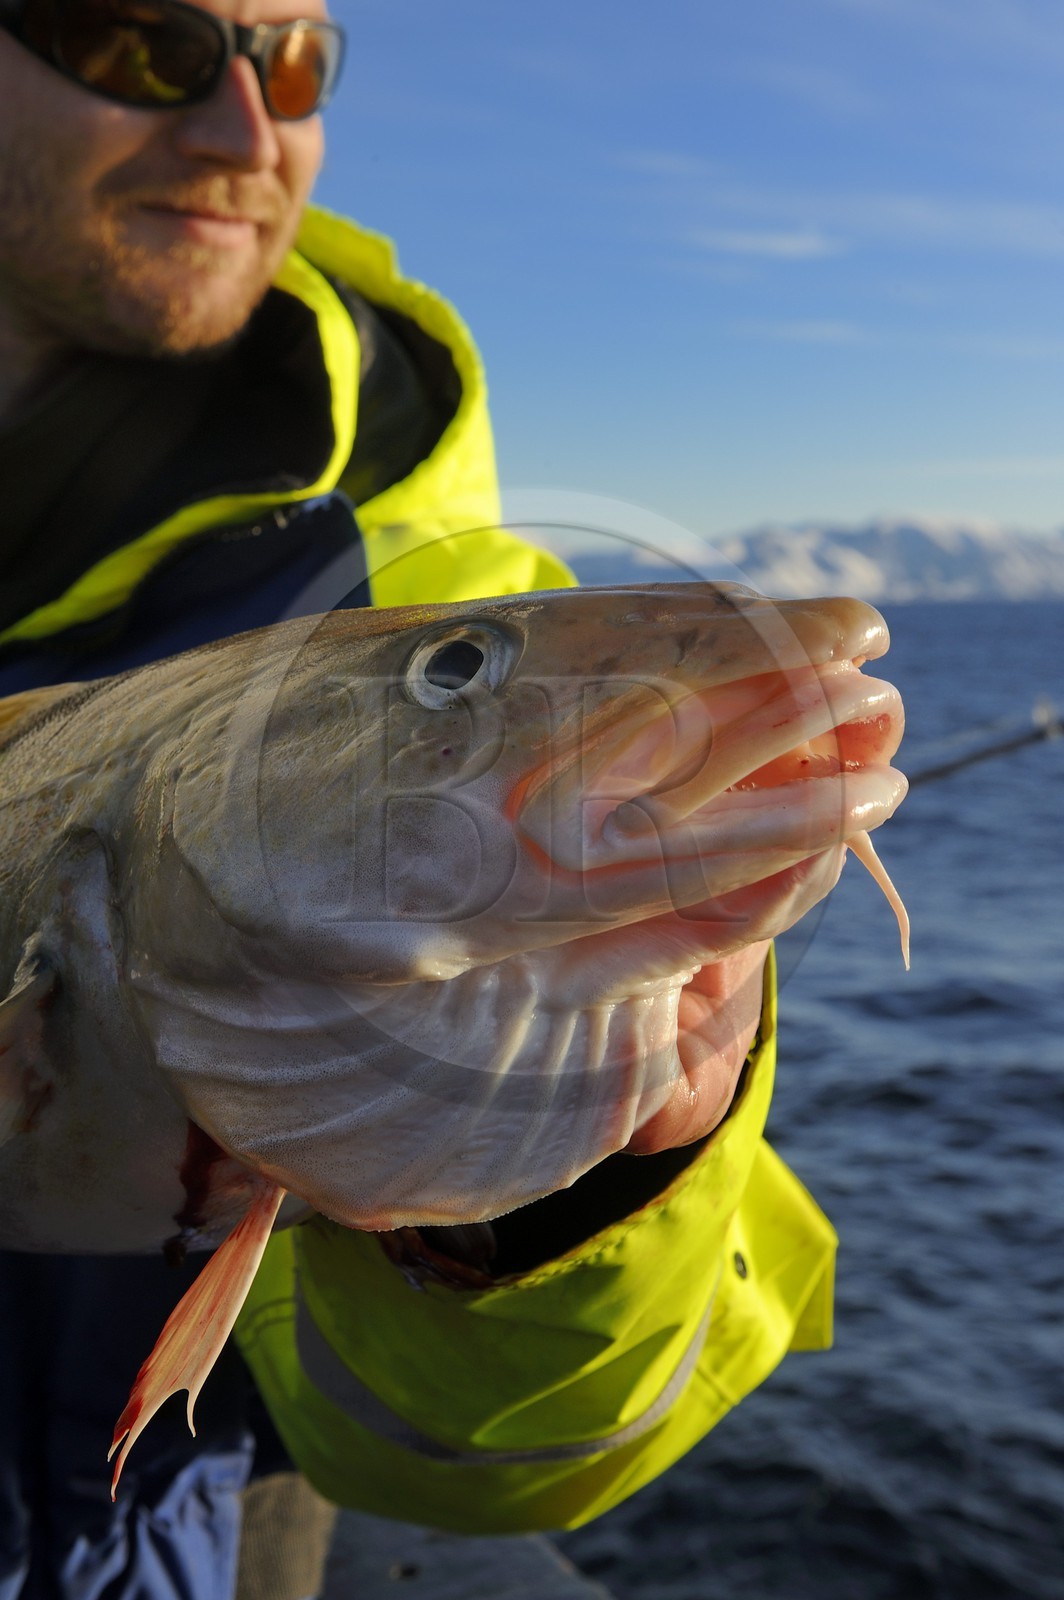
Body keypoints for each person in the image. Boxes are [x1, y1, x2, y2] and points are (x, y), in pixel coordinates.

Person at [0, 1, 838, 1596]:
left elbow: (502, 1451)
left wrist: (577, 1187)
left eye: (296, 61)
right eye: (140, 42)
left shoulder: (455, 595)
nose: (246, 130)